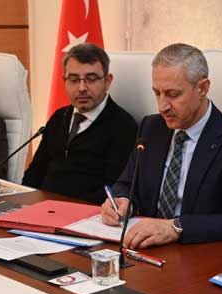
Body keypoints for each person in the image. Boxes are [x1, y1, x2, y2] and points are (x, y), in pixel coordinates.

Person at [101, 43, 222, 248]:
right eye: (157, 93)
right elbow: (127, 184)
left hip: (199, 253)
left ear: (202, 88)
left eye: (173, 94)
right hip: (146, 247)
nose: (162, 106)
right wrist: (123, 201)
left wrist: (176, 227)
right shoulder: (151, 127)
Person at [23, 44, 138, 204]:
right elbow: (35, 174)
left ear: (107, 81)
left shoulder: (123, 126)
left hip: (85, 213)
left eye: (91, 79)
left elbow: (113, 190)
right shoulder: (59, 117)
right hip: (42, 208)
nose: (82, 88)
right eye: (74, 80)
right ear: (64, 81)